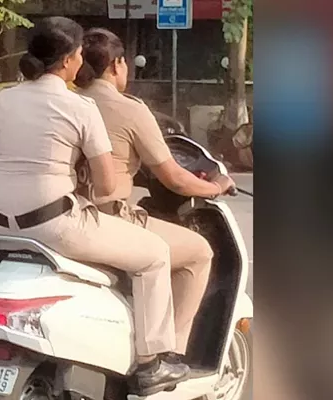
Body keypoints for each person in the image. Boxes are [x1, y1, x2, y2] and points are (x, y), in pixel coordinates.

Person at [0, 16, 188, 395]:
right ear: (67, 61)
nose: (81, 61)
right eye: (79, 53)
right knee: (155, 254)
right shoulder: (78, 107)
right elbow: (108, 184)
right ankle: (151, 362)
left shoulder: (1, 99)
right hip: (54, 226)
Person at [73, 28, 235, 368]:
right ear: (117, 65)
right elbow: (175, 178)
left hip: (60, 213)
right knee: (198, 252)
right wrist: (217, 186)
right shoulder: (129, 109)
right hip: (106, 217)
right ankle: (165, 357)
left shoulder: (66, 101)